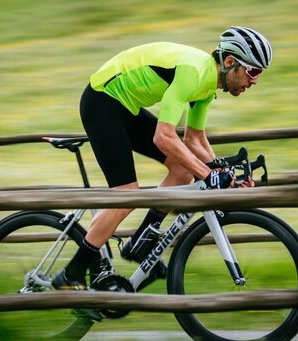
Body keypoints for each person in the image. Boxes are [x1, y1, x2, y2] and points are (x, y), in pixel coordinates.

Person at [52, 26, 272, 293]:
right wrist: (208, 174)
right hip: (102, 102)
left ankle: (141, 243)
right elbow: (163, 137)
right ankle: (70, 273)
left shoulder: (207, 86)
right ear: (229, 63)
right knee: (126, 196)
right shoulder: (194, 73)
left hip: (125, 106)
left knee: (182, 167)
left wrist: (224, 174)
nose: (255, 81)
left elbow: (195, 140)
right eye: (253, 71)